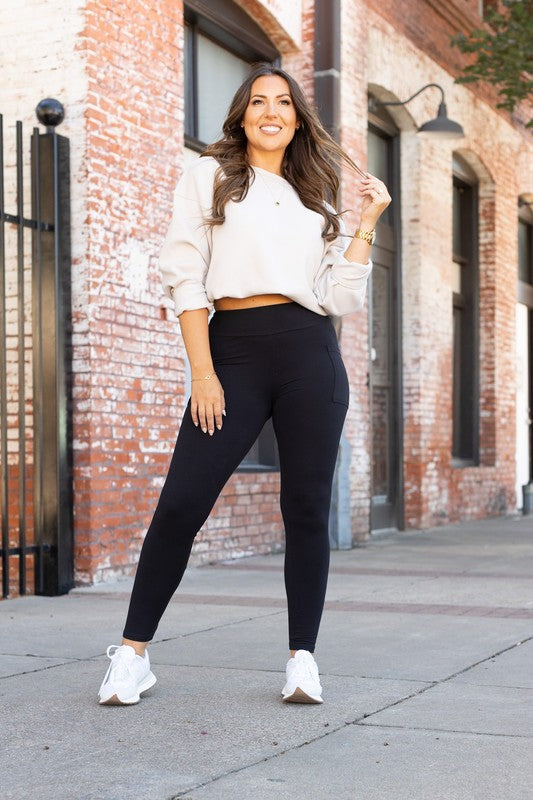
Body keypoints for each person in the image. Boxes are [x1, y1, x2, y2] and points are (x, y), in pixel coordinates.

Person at [97, 63, 391, 706]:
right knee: (181, 503)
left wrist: (366, 220)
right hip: (230, 353)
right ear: (241, 113)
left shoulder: (316, 193)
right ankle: (132, 655)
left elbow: (339, 297)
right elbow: (185, 277)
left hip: (309, 355)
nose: (271, 111)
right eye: (259, 100)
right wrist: (202, 373)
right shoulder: (209, 175)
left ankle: (301, 659)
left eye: (284, 102)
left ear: (297, 118)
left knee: (307, 509)